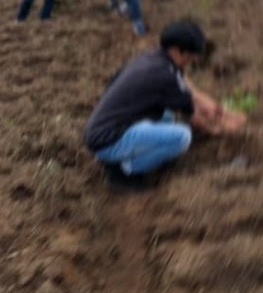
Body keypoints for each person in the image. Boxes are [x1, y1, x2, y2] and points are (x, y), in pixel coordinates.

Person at [83, 20, 247, 192]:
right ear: (177, 51)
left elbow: (188, 88)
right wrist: (221, 130)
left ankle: (131, 155)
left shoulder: (155, 58)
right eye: (190, 55)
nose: (192, 59)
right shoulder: (164, 76)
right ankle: (125, 170)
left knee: (168, 115)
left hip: (105, 129)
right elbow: (194, 117)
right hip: (107, 140)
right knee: (182, 137)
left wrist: (219, 110)